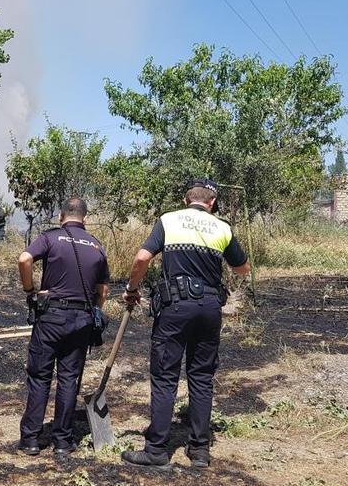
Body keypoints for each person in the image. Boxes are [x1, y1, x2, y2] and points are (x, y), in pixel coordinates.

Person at [120, 178, 251, 469]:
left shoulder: (168, 221)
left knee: (166, 377)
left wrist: (131, 289)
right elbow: (242, 269)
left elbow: (142, 258)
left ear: (185, 199)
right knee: (202, 377)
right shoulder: (223, 227)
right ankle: (200, 451)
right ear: (212, 202)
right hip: (209, 309)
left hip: (175, 308)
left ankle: (156, 451)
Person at [17, 198, 110, 456]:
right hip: (81, 320)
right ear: (85, 218)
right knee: (69, 380)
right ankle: (62, 442)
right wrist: (95, 307)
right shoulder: (96, 245)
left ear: (61, 217)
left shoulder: (50, 237)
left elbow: (25, 259)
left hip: (51, 317)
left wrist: (30, 290)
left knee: (39, 377)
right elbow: (102, 291)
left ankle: (32, 440)